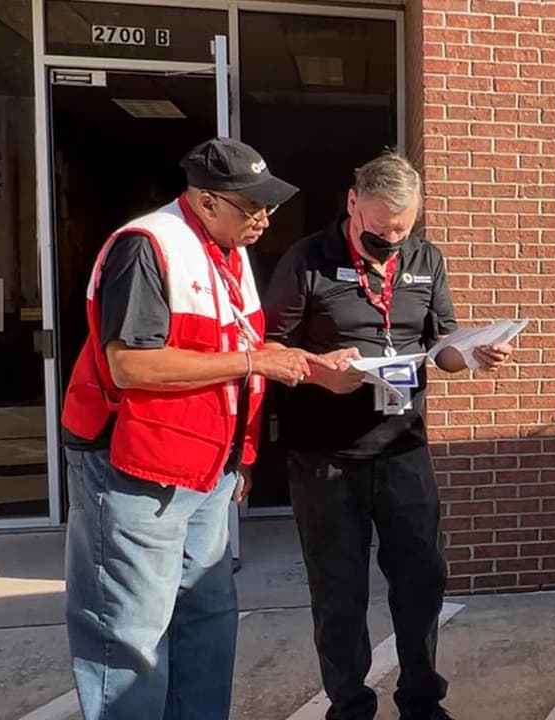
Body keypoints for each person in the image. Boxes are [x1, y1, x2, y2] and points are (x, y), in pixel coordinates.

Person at [58, 137, 342, 720]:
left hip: (205, 467)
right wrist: (255, 361)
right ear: (207, 201)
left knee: (207, 615)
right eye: (251, 207)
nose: (264, 220)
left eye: (270, 208)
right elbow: (131, 365)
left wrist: (251, 440)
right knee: (131, 630)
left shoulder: (228, 251)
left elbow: (229, 348)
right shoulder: (147, 247)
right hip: (136, 467)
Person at [262, 150, 514, 720]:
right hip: (327, 458)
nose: (391, 241)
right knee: (340, 592)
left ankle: (422, 700)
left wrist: (473, 354)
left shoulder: (426, 260)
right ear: (353, 204)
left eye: (401, 231)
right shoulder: (309, 260)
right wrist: (324, 372)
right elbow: (269, 349)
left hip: (403, 450)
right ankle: (349, 706)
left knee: (422, 581)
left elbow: (442, 346)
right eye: (379, 231)